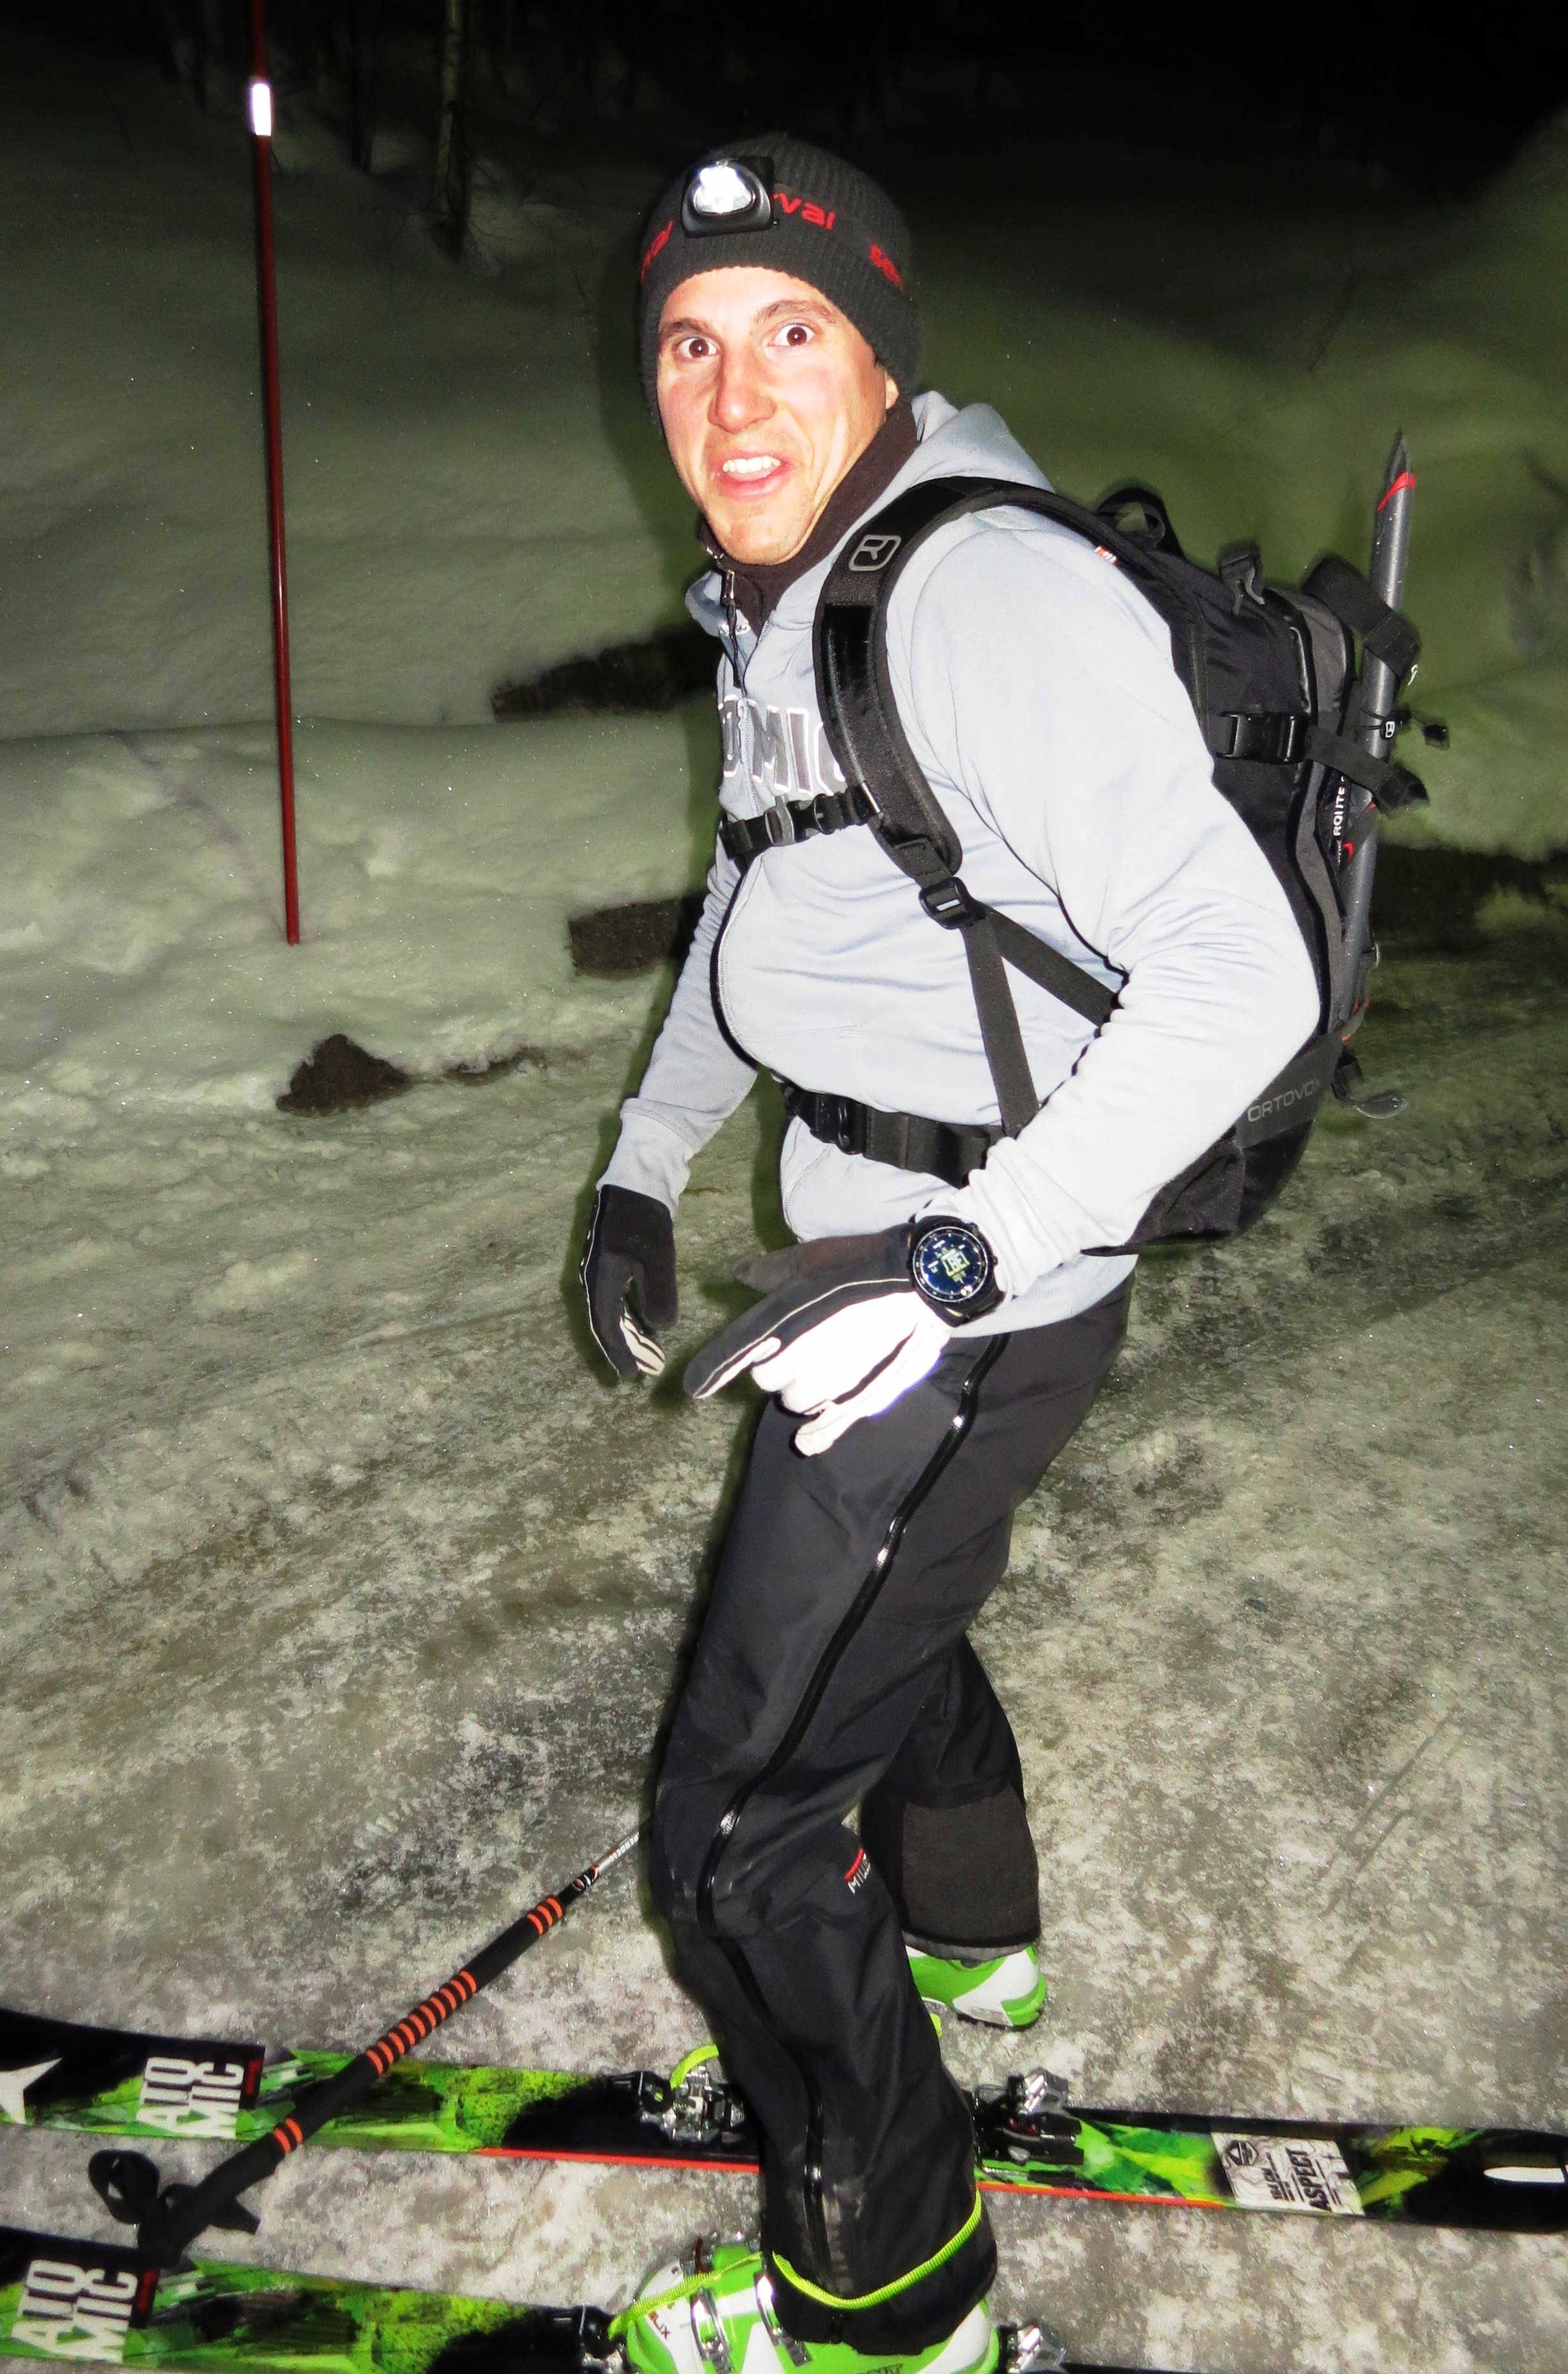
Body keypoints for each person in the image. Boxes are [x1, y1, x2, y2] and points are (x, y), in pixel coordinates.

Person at [579, 136, 1317, 2374]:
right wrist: (647, 1158)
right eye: (687, 346)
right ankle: (969, 1951)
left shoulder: (974, 595)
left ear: (881, 358)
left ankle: (885, 2300)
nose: (731, 398)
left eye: (788, 333)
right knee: (881, 1623)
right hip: (874, 1264)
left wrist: (955, 1271)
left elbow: (1244, 975)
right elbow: (765, 888)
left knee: (728, 1831)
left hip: (961, 1291)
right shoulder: (795, 594)